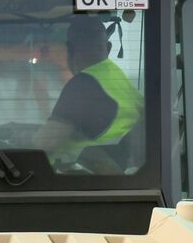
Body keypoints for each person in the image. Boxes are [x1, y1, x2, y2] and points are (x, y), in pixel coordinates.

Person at [34, 17, 144, 169]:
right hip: (114, 179)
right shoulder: (119, 82)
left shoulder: (83, 86)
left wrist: (15, 144)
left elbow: (43, 146)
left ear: (69, 50)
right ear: (108, 47)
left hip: (80, 182)